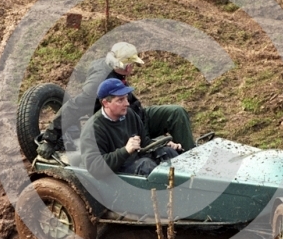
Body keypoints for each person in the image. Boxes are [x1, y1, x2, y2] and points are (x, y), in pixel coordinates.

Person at [37, 42, 196, 158]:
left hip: (137, 115)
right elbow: (74, 106)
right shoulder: (98, 82)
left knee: (176, 113)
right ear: (124, 65)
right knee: (155, 152)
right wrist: (49, 140)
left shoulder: (116, 70)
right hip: (122, 126)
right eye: (131, 64)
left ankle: (192, 157)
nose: (132, 68)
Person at [81, 78, 181, 178]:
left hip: (136, 160)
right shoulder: (93, 128)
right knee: (145, 165)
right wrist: (125, 151)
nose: (127, 103)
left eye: (126, 98)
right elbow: (95, 168)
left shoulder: (129, 114)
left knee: (168, 152)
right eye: (120, 100)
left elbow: (145, 143)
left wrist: (163, 144)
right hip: (115, 173)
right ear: (106, 103)